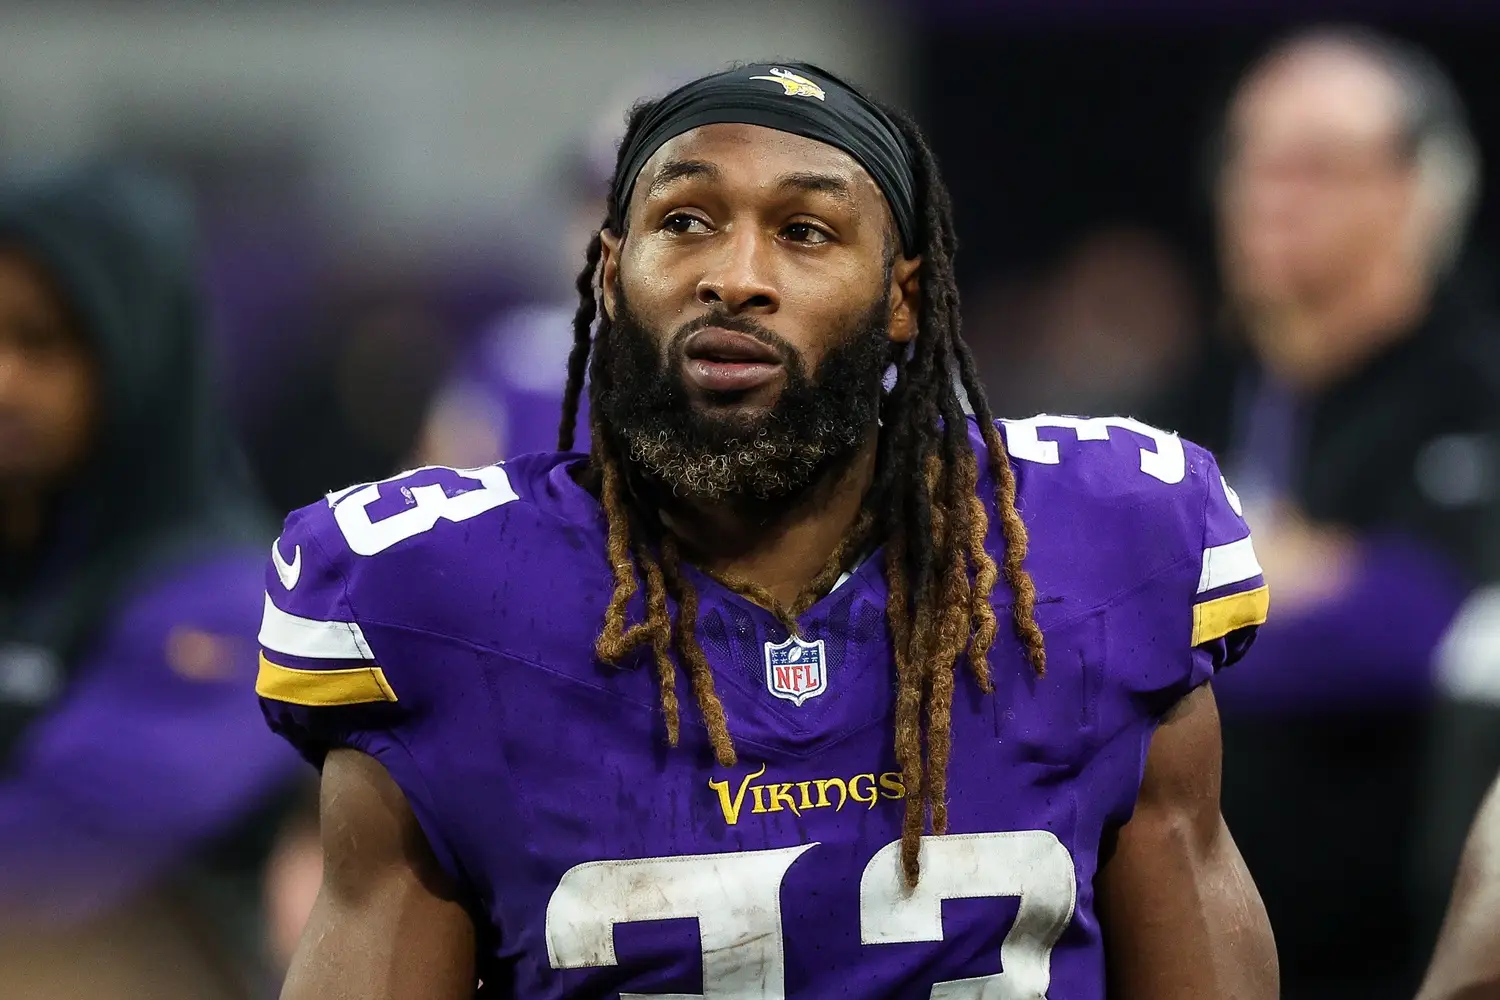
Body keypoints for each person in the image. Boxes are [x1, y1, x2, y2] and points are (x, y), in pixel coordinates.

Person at [259, 63, 1277, 998]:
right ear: (611, 274)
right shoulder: (434, 597)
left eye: (805, 232)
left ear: (904, 297)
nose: (735, 275)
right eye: (687, 220)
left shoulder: (1104, 544)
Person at [1145, 27, 1498, 999]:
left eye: (1315, 164)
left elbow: (1420, 626)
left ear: (1421, 190)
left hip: (1402, 946)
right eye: (1248, 158)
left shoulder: (1474, 391)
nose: (1267, 191)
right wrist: (1285, 567)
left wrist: (1175, 610)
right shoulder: (1189, 398)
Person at [0, 165, 302, 995]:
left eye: (42, 342)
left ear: (138, 352)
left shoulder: (227, 603)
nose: (5, 382)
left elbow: (51, 859)